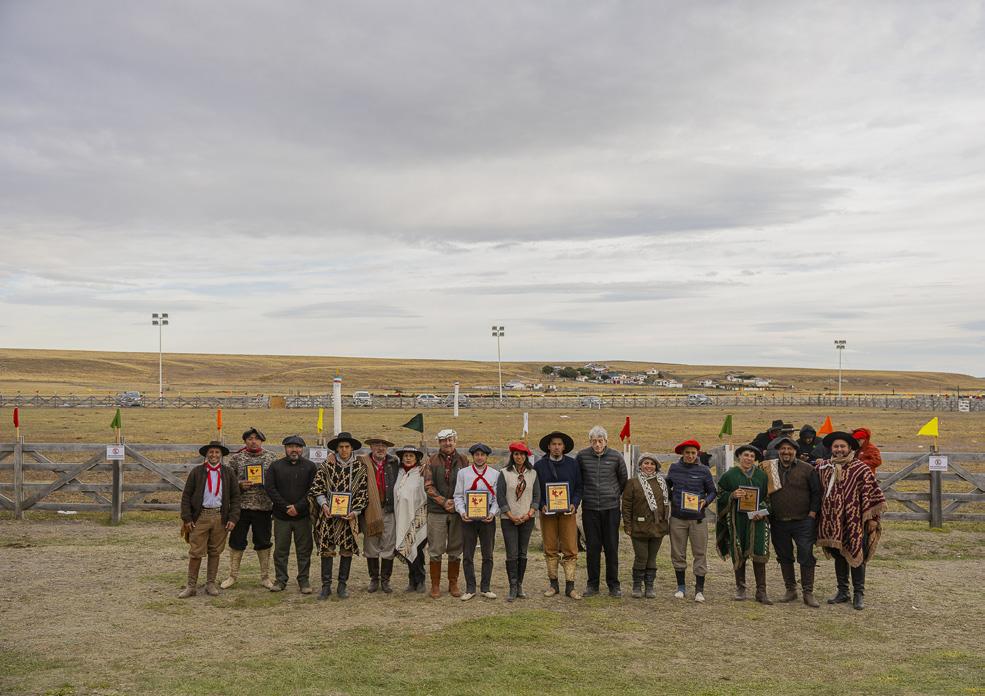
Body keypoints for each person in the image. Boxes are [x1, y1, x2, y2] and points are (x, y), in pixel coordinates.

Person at [816, 431, 887, 610]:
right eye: (836, 446)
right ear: (831, 449)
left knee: (856, 553)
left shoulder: (860, 468)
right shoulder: (824, 468)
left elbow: (873, 493)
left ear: (849, 448)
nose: (839, 449)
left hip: (855, 521)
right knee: (838, 554)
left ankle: (858, 593)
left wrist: (873, 518)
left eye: (842, 446)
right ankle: (843, 591)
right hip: (832, 521)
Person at [178, 441, 241, 598]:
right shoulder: (197, 472)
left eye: (217, 452)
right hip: (200, 517)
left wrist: (233, 518)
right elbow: (186, 496)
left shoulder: (228, 473)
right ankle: (191, 586)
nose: (214, 455)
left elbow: (235, 497)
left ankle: (210, 584)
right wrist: (187, 518)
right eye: (211, 452)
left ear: (221, 455)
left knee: (215, 551)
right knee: (196, 552)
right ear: (206, 454)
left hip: (220, 516)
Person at [310, 432, 369, 600]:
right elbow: (317, 488)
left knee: (347, 550)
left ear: (352, 448)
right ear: (336, 448)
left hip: (348, 518)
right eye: (341, 447)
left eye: (347, 447)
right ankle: (326, 586)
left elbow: (363, 493)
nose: (344, 450)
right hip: (328, 516)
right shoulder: (326, 466)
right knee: (326, 550)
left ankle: (342, 585)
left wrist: (355, 512)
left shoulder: (359, 468)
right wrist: (324, 505)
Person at [765, 435, 821, 607]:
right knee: (784, 555)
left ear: (795, 451)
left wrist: (812, 514)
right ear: (778, 451)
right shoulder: (769, 468)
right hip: (778, 520)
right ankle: (790, 589)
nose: (786, 452)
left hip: (803, 520)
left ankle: (808, 592)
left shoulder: (807, 469)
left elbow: (816, 492)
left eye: (789, 449)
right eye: (783, 449)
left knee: (806, 554)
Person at [221, 427, 277, 590]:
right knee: (236, 542)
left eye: (256, 438)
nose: (253, 441)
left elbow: (277, 481)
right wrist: (239, 485)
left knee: (263, 542)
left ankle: (265, 577)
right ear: (245, 441)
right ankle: (232, 576)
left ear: (262, 441)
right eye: (250, 438)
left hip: (263, 507)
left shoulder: (271, 458)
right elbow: (227, 481)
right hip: (240, 508)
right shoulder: (236, 458)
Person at [576, 426, 628, 597]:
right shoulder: (582, 456)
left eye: (600, 441)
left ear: (606, 441)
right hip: (590, 508)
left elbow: (623, 479)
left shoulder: (616, 456)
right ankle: (593, 584)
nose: (597, 444)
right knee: (592, 548)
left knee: (611, 547)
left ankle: (614, 584)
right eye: (594, 441)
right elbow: (578, 479)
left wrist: (613, 494)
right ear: (590, 441)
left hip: (611, 509)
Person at [716, 444, 772, 604]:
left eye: (752, 456)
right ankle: (740, 588)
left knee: (759, 552)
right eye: (746, 455)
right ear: (739, 457)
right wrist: (732, 495)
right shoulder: (729, 476)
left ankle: (761, 591)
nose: (749, 458)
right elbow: (720, 495)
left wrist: (762, 512)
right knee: (739, 551)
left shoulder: (762, 476)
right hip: (737, 519)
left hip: (757, 520)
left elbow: (768, 499)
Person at [264, 435, 317, 594]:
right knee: (281, 550)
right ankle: (280, 580)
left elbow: (313, 490)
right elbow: (270, 488)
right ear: (285, 448)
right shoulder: (275, 466)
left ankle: (304, 580)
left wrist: (298, 507)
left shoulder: (310, 467)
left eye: (298, 447)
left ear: (302, 449)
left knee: (304, 550)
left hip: (303, 516)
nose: (294, 450)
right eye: (290, 447)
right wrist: (286, 507)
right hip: (281, 517)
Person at [665, 439, 716, 602]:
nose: (690, 455)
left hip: (697, 519)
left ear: (697, 454)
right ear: (682, 453)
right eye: (687, 452)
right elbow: (666, 486)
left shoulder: (704, 470)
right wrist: (674, 499)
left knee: (700, 553)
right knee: (677, 552)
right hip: (678, 518)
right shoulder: (674, 468)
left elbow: (712, 491)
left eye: (693, 453)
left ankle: (699, 590)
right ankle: (681, 587)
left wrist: (705, 501)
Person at [534, 430, 583, 600]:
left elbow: (579, 487)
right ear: (548, 447)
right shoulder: (540, 466)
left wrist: (574, 503)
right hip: (547, 513)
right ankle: (553, 584)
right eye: (553, 444)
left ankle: (570, 586)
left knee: (570, 547)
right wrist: (542, 504)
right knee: (550, 547)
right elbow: (536, 489)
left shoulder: (573, 464)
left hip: (567, 512)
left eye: (559, 444)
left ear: (564, 447)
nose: (556, 447)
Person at [423, 428, 468, 598]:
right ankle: (435, 584)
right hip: (437, 511)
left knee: (455, 547)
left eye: (450, 440)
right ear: (439, 442)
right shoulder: (431, 460)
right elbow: (428, 486)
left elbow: (467, 483)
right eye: (444, 440)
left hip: (457, 511)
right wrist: (443, 501)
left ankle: (453, 583)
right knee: (435, 548)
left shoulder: (463, 460)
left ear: (455, 441)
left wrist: (457, 503)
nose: (447, 443)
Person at [454, 443, 501, 600]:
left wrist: (492, 513)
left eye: (482, 455)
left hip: (487, 519)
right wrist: (462, 512)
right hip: (468, 519)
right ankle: (470, 588)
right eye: (477, 455)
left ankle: (486, 587)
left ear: (487, 457)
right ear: (472, 456)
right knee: (468, 554)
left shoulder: (495, 474)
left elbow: (497, 498)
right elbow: (458, 495)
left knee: (488, 554)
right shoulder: (463, 474)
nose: (479, 457)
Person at [496, 441, 540, 602]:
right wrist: (510, 515)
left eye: (521, 454)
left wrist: (530, 513)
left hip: (527, 519)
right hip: (509, 519)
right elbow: (500, 496)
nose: (519, 457)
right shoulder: (504, 473)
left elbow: (537, 496)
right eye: (516, 454)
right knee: (512, 553)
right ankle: (512, 586)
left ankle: (520, 584)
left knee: (522, 552)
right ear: (512, 456)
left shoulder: (533, 474)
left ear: (526, 456)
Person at [620, 453, 669, 599]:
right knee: (641, 556)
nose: (649, 466)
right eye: (646, 463)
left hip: (657, 526)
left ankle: (649, 586)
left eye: (652, 464)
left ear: (656, 466)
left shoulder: (662, 483)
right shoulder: (633, 483)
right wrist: (627, 525)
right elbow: (626, 506)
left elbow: (666, 504)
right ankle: (637, 586)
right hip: (639, 526)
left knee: (652, 557)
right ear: (640, 465)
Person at [359, 437, 399, 594]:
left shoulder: (394, 462)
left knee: (388, 544)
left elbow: (412, 466)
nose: (380, 448)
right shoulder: (362, 462)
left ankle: (385, 580)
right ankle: (374, 579)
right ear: (371, 447)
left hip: (388, 509)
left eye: (383, 446)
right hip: (369, 510)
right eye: (377, 445)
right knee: (371, 544)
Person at [393, 444, 429, 593]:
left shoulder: (421, 473)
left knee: (417, 548)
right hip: (401, 518)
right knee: (406, 547)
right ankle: (411, 580)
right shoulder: (398, 473)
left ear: (417, 458)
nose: (408, 458)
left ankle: (420, 579)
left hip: (418, 518)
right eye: (405, 456)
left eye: (411, 456)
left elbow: (424, 495)